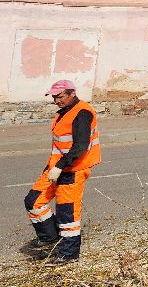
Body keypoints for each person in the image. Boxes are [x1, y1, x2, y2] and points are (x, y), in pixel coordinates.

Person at [22, 79, 101, 262]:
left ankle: (68, 255)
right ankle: (50, 239)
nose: (57, 101)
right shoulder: (63, 113)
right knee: (33, 201)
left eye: (60, 96)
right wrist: (52, 166)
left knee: (67, 214)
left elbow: (80, 146)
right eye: (54, 97)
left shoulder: (82, 113)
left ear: (72, 93)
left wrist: (60, 166)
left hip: (74, 169)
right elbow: (59, 146)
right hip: (56, 168)